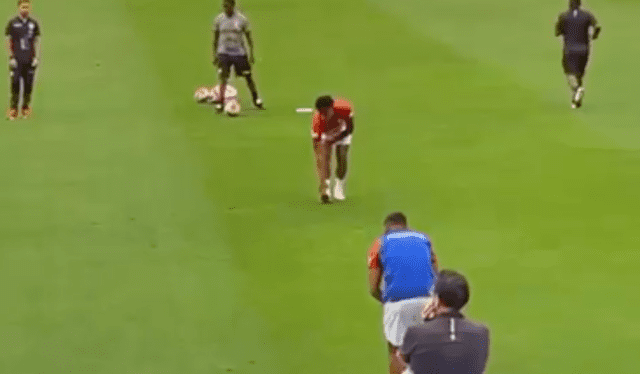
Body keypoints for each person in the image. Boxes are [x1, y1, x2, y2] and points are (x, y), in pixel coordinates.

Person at [368, 212, 439, 374]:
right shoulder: (423, 238)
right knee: (426, 349)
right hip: (427, 300)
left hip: (398, 302)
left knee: (397, 350)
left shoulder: (380, 243)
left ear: (387, 227)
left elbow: (373, 286)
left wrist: (384, 300)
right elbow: (436, 271)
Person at [400, 270, 490, 374]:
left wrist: (426, 322)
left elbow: (404, 358)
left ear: (437, 300)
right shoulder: (482, 333)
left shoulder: (416, 332)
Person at [212, 0, 263, 113]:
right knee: (223, 77)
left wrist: (251, 53)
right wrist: (215, 54)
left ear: (233, 6)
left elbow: (249, 37)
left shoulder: (241, 19)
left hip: (239, 53)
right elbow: (215, 38)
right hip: (224, 52)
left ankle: (256, 99)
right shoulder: (219, 19)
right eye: (224, 6)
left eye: (227, 6)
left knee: (248, 77)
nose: (226, 8)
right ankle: (220, 103)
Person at [555, 0, 601, 109]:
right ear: (580, 3)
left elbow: (557, 32)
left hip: (570, 49)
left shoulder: (563, 16)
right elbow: (597, 28)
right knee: (579, 74)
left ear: (569, 4)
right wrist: (594, 36)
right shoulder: (587, 15)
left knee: (570, 72)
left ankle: (577, 90)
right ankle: (576, 101)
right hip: (584, 49)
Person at [311, 95, 354, 203]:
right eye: (321, 113)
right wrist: (323, 183)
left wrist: (337, 138)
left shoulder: (344, 108)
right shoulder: (317, 122)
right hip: (326, 134)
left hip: (342, 132)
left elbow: (350, 129)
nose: (323, 115)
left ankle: (339, 186)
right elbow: (318, 155)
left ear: (331, 107)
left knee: (342, 156)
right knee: (325, 159)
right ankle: (326, 188)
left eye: (325, 112)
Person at [5, 0, 40, 120]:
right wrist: (11, 57)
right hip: (17, 60)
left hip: (29, 59)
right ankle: (13, 109)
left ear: (30, 8)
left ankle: (25, 108)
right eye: (23, 7)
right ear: (18, 8)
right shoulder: (12, 23)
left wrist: (36, 57)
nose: (25, 9)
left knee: (28, 85)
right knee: (15, 83)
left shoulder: (33, 24)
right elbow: (8, 41)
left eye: (27, 7)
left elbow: (36, 41)